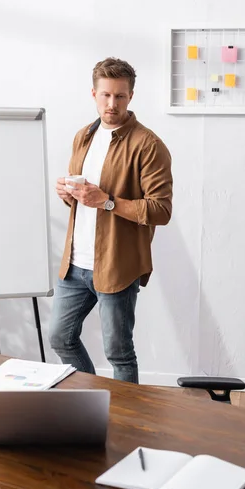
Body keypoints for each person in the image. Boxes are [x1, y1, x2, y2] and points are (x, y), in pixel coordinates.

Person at [48, 57, 173, 383]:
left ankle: (125, 426)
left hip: (117, 265)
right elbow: (82, 199)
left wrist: (108, 202)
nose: (112, 103)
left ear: (130, 96)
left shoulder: (148, 145)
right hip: (74, 264)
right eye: (105, 95)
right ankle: (92, 401)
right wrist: (66, 192)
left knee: (119, 353)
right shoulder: (83, 137)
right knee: (60, 337)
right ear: (94, 94)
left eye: (119, 96)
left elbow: (161, 210)